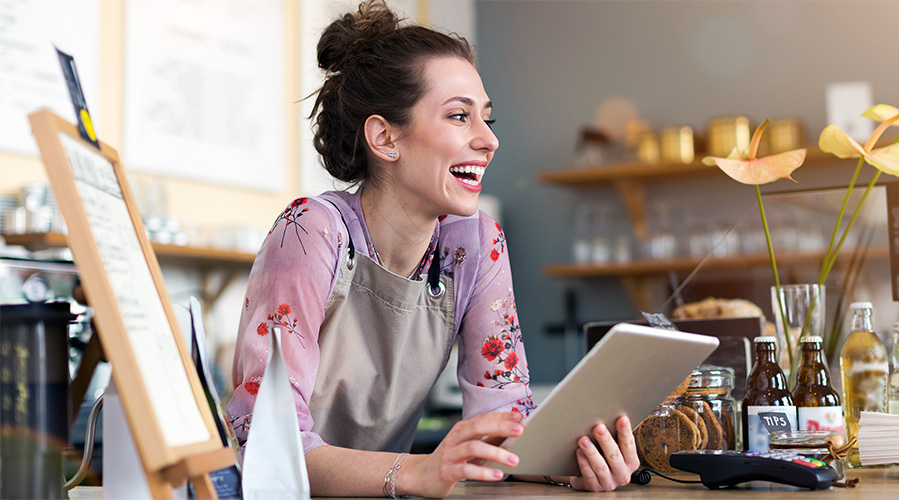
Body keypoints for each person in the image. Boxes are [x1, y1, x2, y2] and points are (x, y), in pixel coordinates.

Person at [227, 1, 639, 497]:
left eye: (486, 118)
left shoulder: (476, 243)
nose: (489, 141)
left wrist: (563, 464)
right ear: (384, 137)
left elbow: (501, 422)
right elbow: (269, 443)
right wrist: (417, 472)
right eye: (459, 116)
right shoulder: (311, 232)